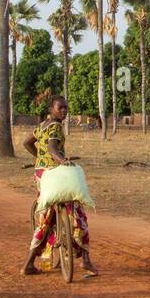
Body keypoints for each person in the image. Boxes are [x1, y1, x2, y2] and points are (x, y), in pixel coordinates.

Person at [21, 95, 97, 277]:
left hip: (40, 174)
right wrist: (62, 161)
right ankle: (85, 259)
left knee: (46, 218)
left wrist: (38, 159)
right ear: (51, 109)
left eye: (65, 108)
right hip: (54, 173)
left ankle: (29, 264)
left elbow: (27, 143)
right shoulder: (55, 126)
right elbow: (53, 149)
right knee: (77, 212)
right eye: (60, 108)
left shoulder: (42, 126)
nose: (64, 111)